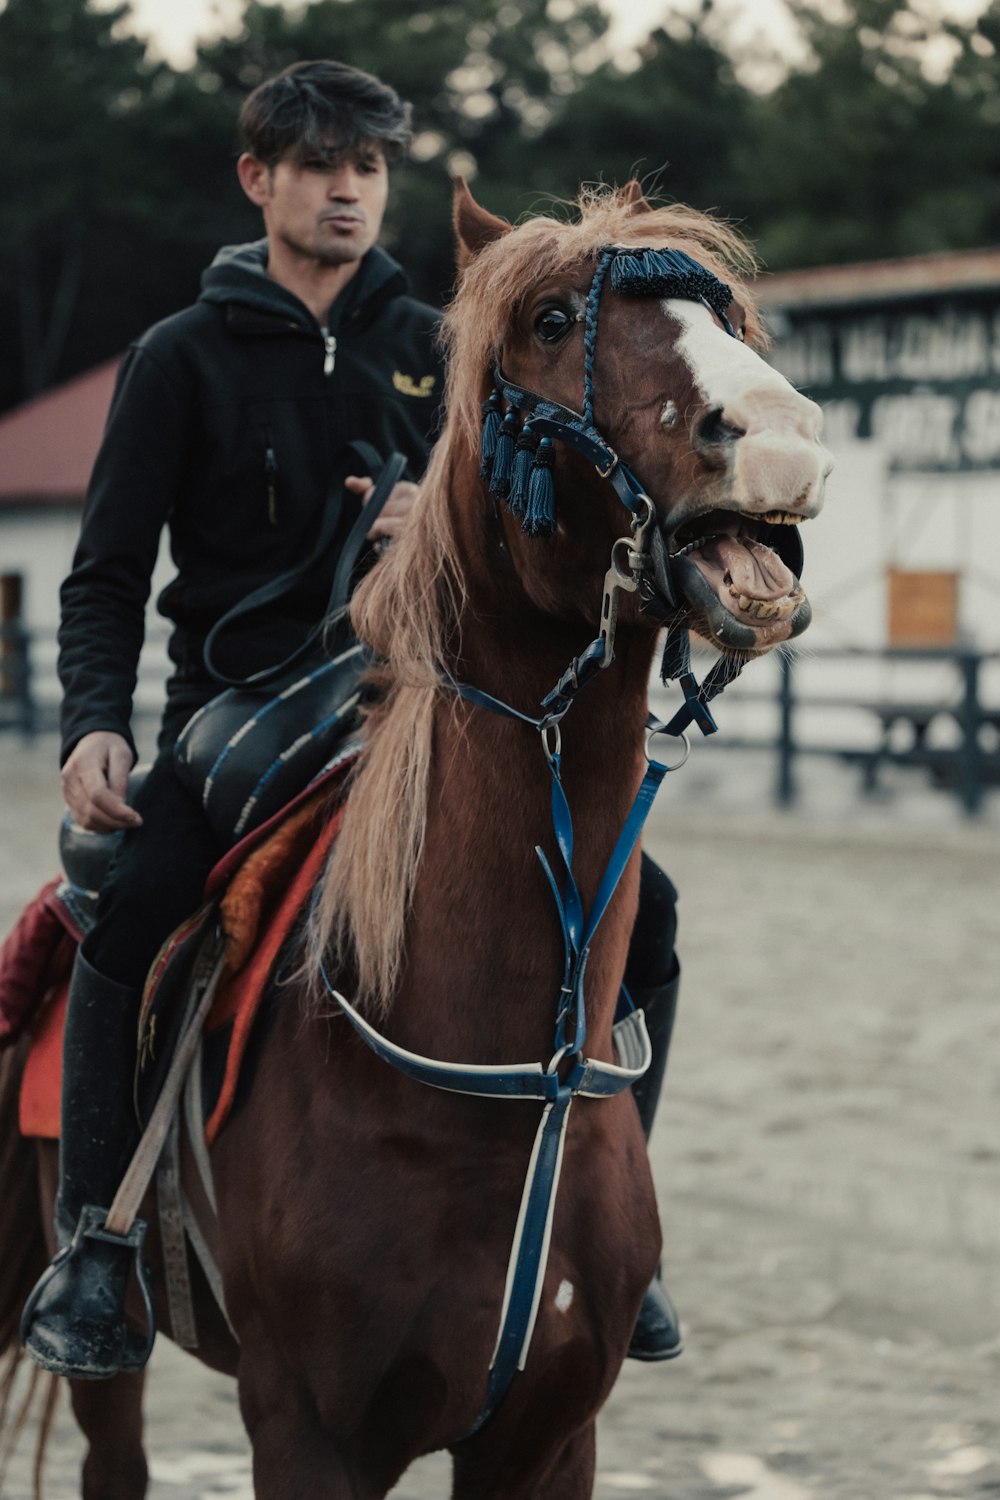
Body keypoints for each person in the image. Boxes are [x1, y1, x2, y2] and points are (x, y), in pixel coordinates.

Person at [21, 59, 682, 1381]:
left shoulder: (440, 339)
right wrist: (95, 723)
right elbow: (103, 573)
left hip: (419, 709)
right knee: (131, 912)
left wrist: (434, 520)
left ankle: (618, 1230)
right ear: (258, 178)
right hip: (241, 717)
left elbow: (522, 523)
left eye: (370, 168)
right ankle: (97, 1244)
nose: (348, 190)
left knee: (649, 911)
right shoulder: (178, 358)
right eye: (320, 165)